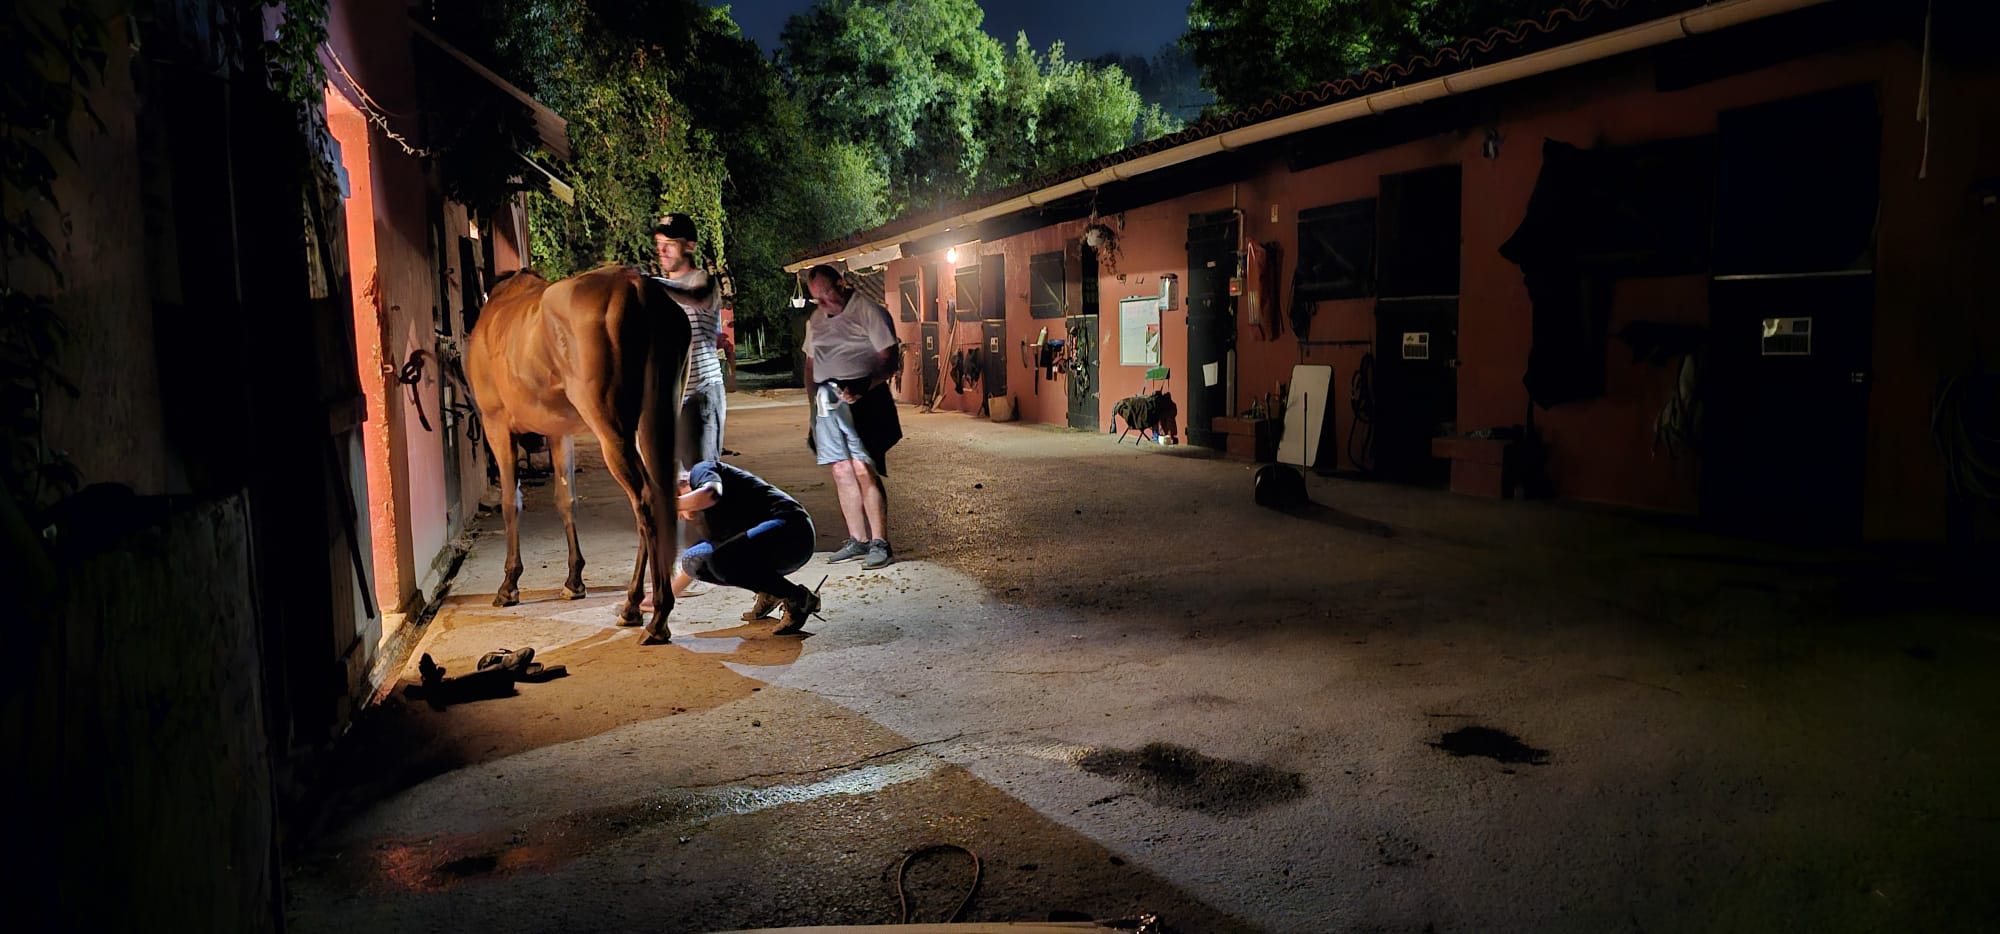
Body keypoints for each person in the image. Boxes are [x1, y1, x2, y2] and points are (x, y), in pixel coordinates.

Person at [642, 459, 822, 642]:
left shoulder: (701, 471)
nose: (680, 517)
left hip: (794, 533)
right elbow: (697, 563)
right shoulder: (710, 517)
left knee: (721, 560)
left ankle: (798, 598)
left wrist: (666, 505)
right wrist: (660, 597)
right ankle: (771, 590)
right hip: (776, 546)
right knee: (694, 559)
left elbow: (711, 494)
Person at [802, 264, 902, 569]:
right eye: (816, 299)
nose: (822, 304)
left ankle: (880, 543)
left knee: (863, 468)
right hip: (826, 403)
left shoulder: (869, 312)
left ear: (842, 284)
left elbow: (890, 359)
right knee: (841, 470)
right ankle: (857, 539)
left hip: (864, 400)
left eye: (826, 295)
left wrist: (866, 384)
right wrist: (812, 411)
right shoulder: (816, 320)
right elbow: (810, 364)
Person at [652, 213, 726, 469]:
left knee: (702, 476)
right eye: (658, 243)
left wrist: (650, 284)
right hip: (670, 397)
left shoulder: (703, 281)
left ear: (689, 246)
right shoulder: (658, 290)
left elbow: (695, 298)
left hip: (700, 393)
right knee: (675, 482)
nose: (661, 250)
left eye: (669, 244)